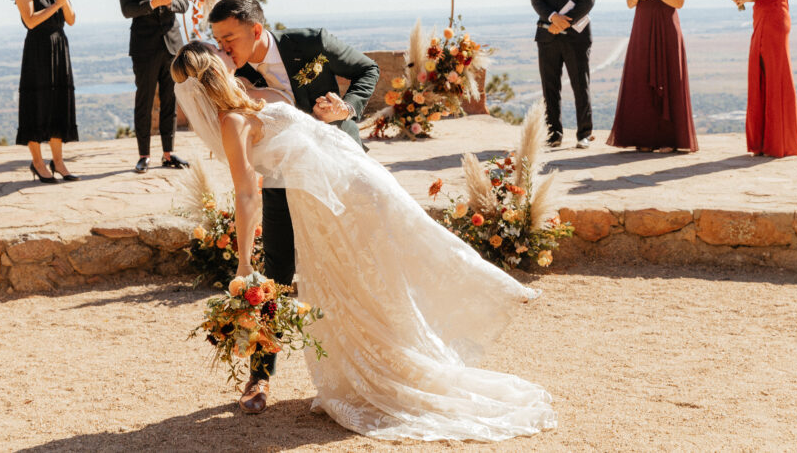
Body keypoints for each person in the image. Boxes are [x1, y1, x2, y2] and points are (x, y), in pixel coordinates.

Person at [171, 41, 557, 441]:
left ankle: (388, 375)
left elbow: (248, 192)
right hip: (353, 183)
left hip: (334, 200)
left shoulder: (234, 120)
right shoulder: (257, 99)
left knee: (352, 286)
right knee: (372, 281)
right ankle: (402, 362)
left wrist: (245, 264)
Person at [206, 0, 379, 413]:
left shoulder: (310, 42)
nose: (223, 46)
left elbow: (366, 70)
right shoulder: (230, 73)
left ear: (256, 30)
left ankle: (369, 367)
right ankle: (260, 376)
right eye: (216, 39)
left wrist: (346, 109)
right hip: (281, 180)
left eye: (228, 36)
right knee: (277, 273)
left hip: (337, 168)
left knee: (353, 264)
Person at [607, 0, 698, 152]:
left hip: (667, 27)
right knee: (641, 76)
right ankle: (645, 137)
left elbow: (679, 2)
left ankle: (669, 139)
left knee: (668, 78)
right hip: (643, 27)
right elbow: (629, 3)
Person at [118, 0, 191, 173]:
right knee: (145, 100)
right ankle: (144, 155)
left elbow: (184, 3)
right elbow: (127, 9)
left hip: (172, 45)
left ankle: (168, 153)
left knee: (171, 99)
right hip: (144, 46)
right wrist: (151, 3)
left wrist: (168, 3)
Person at [10, 0, 79, 183]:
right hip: (37, 50)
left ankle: (58, 162)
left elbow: (71, 20)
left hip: (60, 46)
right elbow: (30, 21)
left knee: (59, 103)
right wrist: (58, 2)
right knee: (36, 103)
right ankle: (38, 162)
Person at [734, 0, 797, 157]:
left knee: (772, 75)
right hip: (769, 14)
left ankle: (775, 142)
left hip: (772, 15)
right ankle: (773, 141)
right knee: (770, 73)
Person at [530, 0, 596, 148]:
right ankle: (554, 134)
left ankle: (584, 134)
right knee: (550, 86)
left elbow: (588, 0)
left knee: (580, 84)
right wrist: (552, 18)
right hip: (547, 35)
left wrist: (564, 23)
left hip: (576, 36)